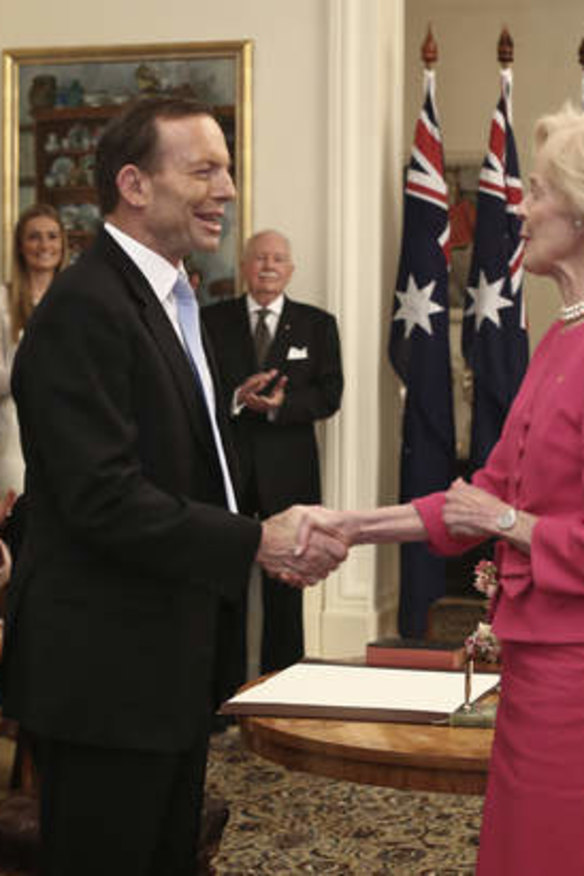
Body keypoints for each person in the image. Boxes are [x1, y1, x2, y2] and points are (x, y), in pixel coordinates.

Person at [1, 97, 346, 876]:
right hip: (106, 675)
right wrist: (256, 539)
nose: (226, 188)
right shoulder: (84, 310)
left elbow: (186, 461)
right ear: (134, 183)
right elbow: (104, 497)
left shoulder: (170, 300)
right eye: (203, 170)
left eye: (226, 169)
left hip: (167, 662)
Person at [297, 103, 584, 876]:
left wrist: (511, 524)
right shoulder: (561, 335)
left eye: (539, 191)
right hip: (535, 665)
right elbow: (480, 493)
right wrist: (348, 524)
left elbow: (499, 510)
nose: (519, 209)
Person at [203, 229, 343, 683]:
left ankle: (284, 689)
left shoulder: (316, 324)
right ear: (244, 266)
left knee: (287, 585)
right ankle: (223, 693)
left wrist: (284, 406)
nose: (268, 265)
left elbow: (329, 395)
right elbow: (197, 391)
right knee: (224, 582)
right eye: (259, 257)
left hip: (290, 474)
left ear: (290, 269)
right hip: (230, 469)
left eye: (278, 258)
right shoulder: (212, 320)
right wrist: (237, 398)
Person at [0, 204, 67, 494]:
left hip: (67, 426)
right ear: (20, 245)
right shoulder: (2, 301)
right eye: (34, 237)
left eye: (52, 236)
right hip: (12, 427)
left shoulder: (76, 300)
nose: (44, 245)